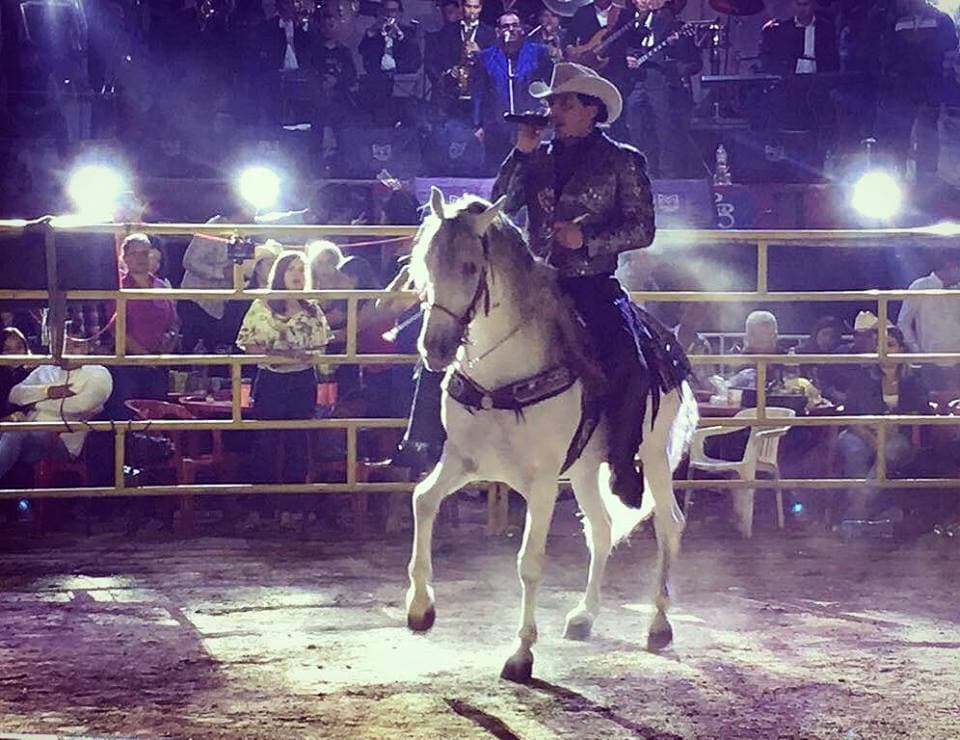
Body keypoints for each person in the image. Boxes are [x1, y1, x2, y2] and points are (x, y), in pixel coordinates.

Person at [401, 62, 687, 506]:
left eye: (564, 102)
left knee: (629, 362)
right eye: (552, 102)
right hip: (534, 284)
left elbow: (642, 228)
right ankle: (422, 440)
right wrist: (521, 153)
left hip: (592, 283)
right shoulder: (539, 159)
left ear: (591, 110)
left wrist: (587, 239)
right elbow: (496, 209)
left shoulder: (623, 161)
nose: (554, 110)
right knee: (446, 329)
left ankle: (622, 460)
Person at [236, 251, 333, 482]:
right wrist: (282, 355)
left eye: (301, 269)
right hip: (271, 380)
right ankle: (263, 503)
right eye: (291, 269)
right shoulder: (262, 305)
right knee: (265, 441)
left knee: (297, 441)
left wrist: (298, 357)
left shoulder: (313, 310)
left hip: (302, 380)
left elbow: (320, 348)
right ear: (280, 274)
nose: (297, 274)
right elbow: (248, 343)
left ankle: (294, 504)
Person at [836, 326, 930, 521]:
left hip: (897, 433)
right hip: (861, 431)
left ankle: (859, 505)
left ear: (901, 349)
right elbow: (851, 414)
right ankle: (863, 512)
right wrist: (873, 438)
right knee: (854, 449)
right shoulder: (862, 375)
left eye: (890, 345)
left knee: (891, 450)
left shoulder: (913, 377)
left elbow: (918, 409)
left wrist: (888, 430)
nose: (885, 350)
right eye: (880, 345)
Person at [0, 331, 112, 482]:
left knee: (14, 432)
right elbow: (14, 394)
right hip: (29, 431)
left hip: (59, 439)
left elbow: (81, 405)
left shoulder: (98, 373)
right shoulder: (46, 369)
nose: (69, 350)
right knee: (11, 432)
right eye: (65, 345)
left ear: (87, 347)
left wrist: (35, 403)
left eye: (76, 345)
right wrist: (47, 391)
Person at [618, 0, 702, 177]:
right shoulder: (625, 21)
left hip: (658, 81)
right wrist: (624, 59)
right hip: (632, 82)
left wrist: (674, 46)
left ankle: (667, 174)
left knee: (664, 127)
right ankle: (639, 170)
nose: (643, 1)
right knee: (635, 126)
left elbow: (690, 59)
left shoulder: (668, 23)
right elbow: (617, 47)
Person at [471, 12, 554, 172]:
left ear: (522, 29)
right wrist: (477, 124)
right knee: (497, 171)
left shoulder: (539, 53)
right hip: (496, 126)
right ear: (498, 31)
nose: (511, 29)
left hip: (530, 124)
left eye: (515, 25)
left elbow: (551, 83)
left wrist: (548, 111)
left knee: (532, 171)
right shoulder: (486, 57)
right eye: (506, 26)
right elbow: (478, 93)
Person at [109, 234, 179, 419]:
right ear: (124, 257)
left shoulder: (162, 286)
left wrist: (166, 349)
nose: (141, 258)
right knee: (128, 417)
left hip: (158, 365)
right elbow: (116, 328)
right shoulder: (117, 287)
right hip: (127, 365)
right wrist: (144, 357)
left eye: (145, 253)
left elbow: (174, 323)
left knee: (156, 418)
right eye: (135, 254)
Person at [897, 251, 960, 392]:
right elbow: (903, 322)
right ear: (951, 266)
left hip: (958, 360)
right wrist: (917, 350)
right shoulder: (920, 286)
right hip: (930, 361)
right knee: (932, 404)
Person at [358, 0, 423, 126]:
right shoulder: (374, 32)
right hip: (378, 82)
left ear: (399, 13)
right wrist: (373, 32)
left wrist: (398, 33)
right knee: (380, 120)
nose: (389, 14)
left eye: (393, 11)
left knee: (408, 119)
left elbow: (416, 58)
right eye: (386, 11)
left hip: (403, 82)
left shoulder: (408, 32)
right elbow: (362, 50)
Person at [759, 0, 840, 76]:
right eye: (798, 4)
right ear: (792, 5)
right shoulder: (784, 29)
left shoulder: (826, 28)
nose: (802, 9)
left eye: (805, 4)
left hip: (819, 79)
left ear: (813, 5)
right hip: (792, 81)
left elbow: (832, 57)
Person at [1, 327, 32, 420]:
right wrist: (7, 418)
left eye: (19, 347)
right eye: (7, 349)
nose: (14, 353)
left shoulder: (31, 374)